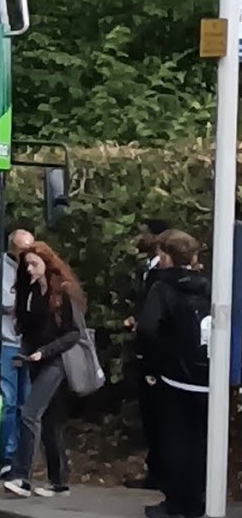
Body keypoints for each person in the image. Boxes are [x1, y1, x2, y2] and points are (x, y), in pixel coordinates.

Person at [3, 242, 86, 499]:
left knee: (29, 413)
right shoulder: (30, 292)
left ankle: (22, 476)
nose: (29, 269)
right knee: (50, 421)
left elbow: (73, 333)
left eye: (34, 264)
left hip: (56, 360)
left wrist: (45, 352)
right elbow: (28, 329)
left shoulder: (62, 291)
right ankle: (59, 482)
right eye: (26, 265)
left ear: (47, 264)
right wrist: (25, 354)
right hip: (35, 358)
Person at [138, 230, 211, 518]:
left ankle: (175, 503)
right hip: (206, 379)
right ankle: (197, 501)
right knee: (200, 442)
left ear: (166, 256)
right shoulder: (209, 285)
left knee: (173, 442)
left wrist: (154, 366)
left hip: (174, 378)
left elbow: (148, 329)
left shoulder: (162, 288)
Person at [124, 218, 171, 490]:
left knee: (158, 414)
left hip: (156, 353)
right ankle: (156, 469)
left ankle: (161, 473)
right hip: (146, 344)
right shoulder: (149, 269)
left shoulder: (162, 276)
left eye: (144, 234)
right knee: (150, 414)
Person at [0, 229, 34, 477]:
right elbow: (6, 304)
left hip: (30, 344)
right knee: (8, 402)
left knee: (27, 402)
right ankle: (6, 455)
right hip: (8, 342)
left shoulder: (34, 268)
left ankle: (23, 455)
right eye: (23, 251)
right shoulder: (1, 268)